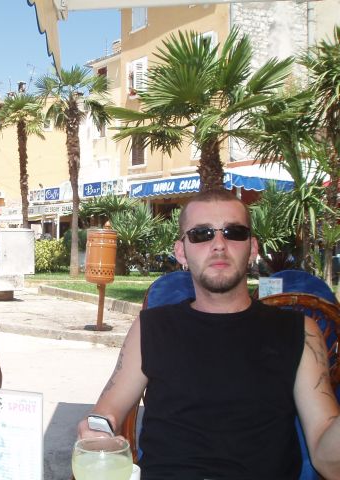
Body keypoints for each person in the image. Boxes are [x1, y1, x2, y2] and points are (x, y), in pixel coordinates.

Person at [78, 189, 340, 479]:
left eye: (233, 232)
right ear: (181, 251)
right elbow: (107, 412)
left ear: (252, 248)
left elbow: (327, 459)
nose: (219, 245)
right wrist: (96, 431)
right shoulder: (151, 328)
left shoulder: (300, 332)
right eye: (201, 234)